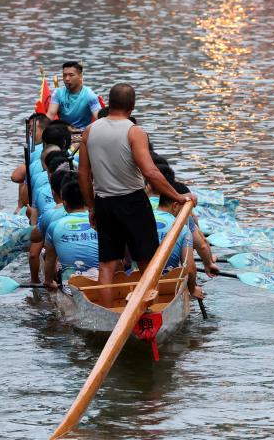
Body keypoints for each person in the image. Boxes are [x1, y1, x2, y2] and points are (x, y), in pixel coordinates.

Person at [77, 83, 194, 306]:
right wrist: (178, 197)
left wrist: (92, 207)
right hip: (133, 202)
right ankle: (147, 311)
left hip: (104, 203)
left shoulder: (90, 131)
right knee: (147, 262)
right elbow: (150, 171)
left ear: (109, 103)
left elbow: (83, 174)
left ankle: (109, 314)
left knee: (108, 264)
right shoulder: (134, 131)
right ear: (132, 106)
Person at [43, 180, 100, 288]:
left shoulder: (54, 225)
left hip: (70, 287)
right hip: (102, 281)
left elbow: (50, 259)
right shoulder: (101, 221)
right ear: (86, 200)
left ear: (64, 203)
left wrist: (49, 282)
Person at [47, 61, 101, 131]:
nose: (67, 79)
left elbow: (99, 119)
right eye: (64, 75)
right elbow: (50, 114)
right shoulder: (58, 93)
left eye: (71, 75)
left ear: (80, 76)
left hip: (83, 132)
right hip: (63, 131)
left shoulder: (90, 95)